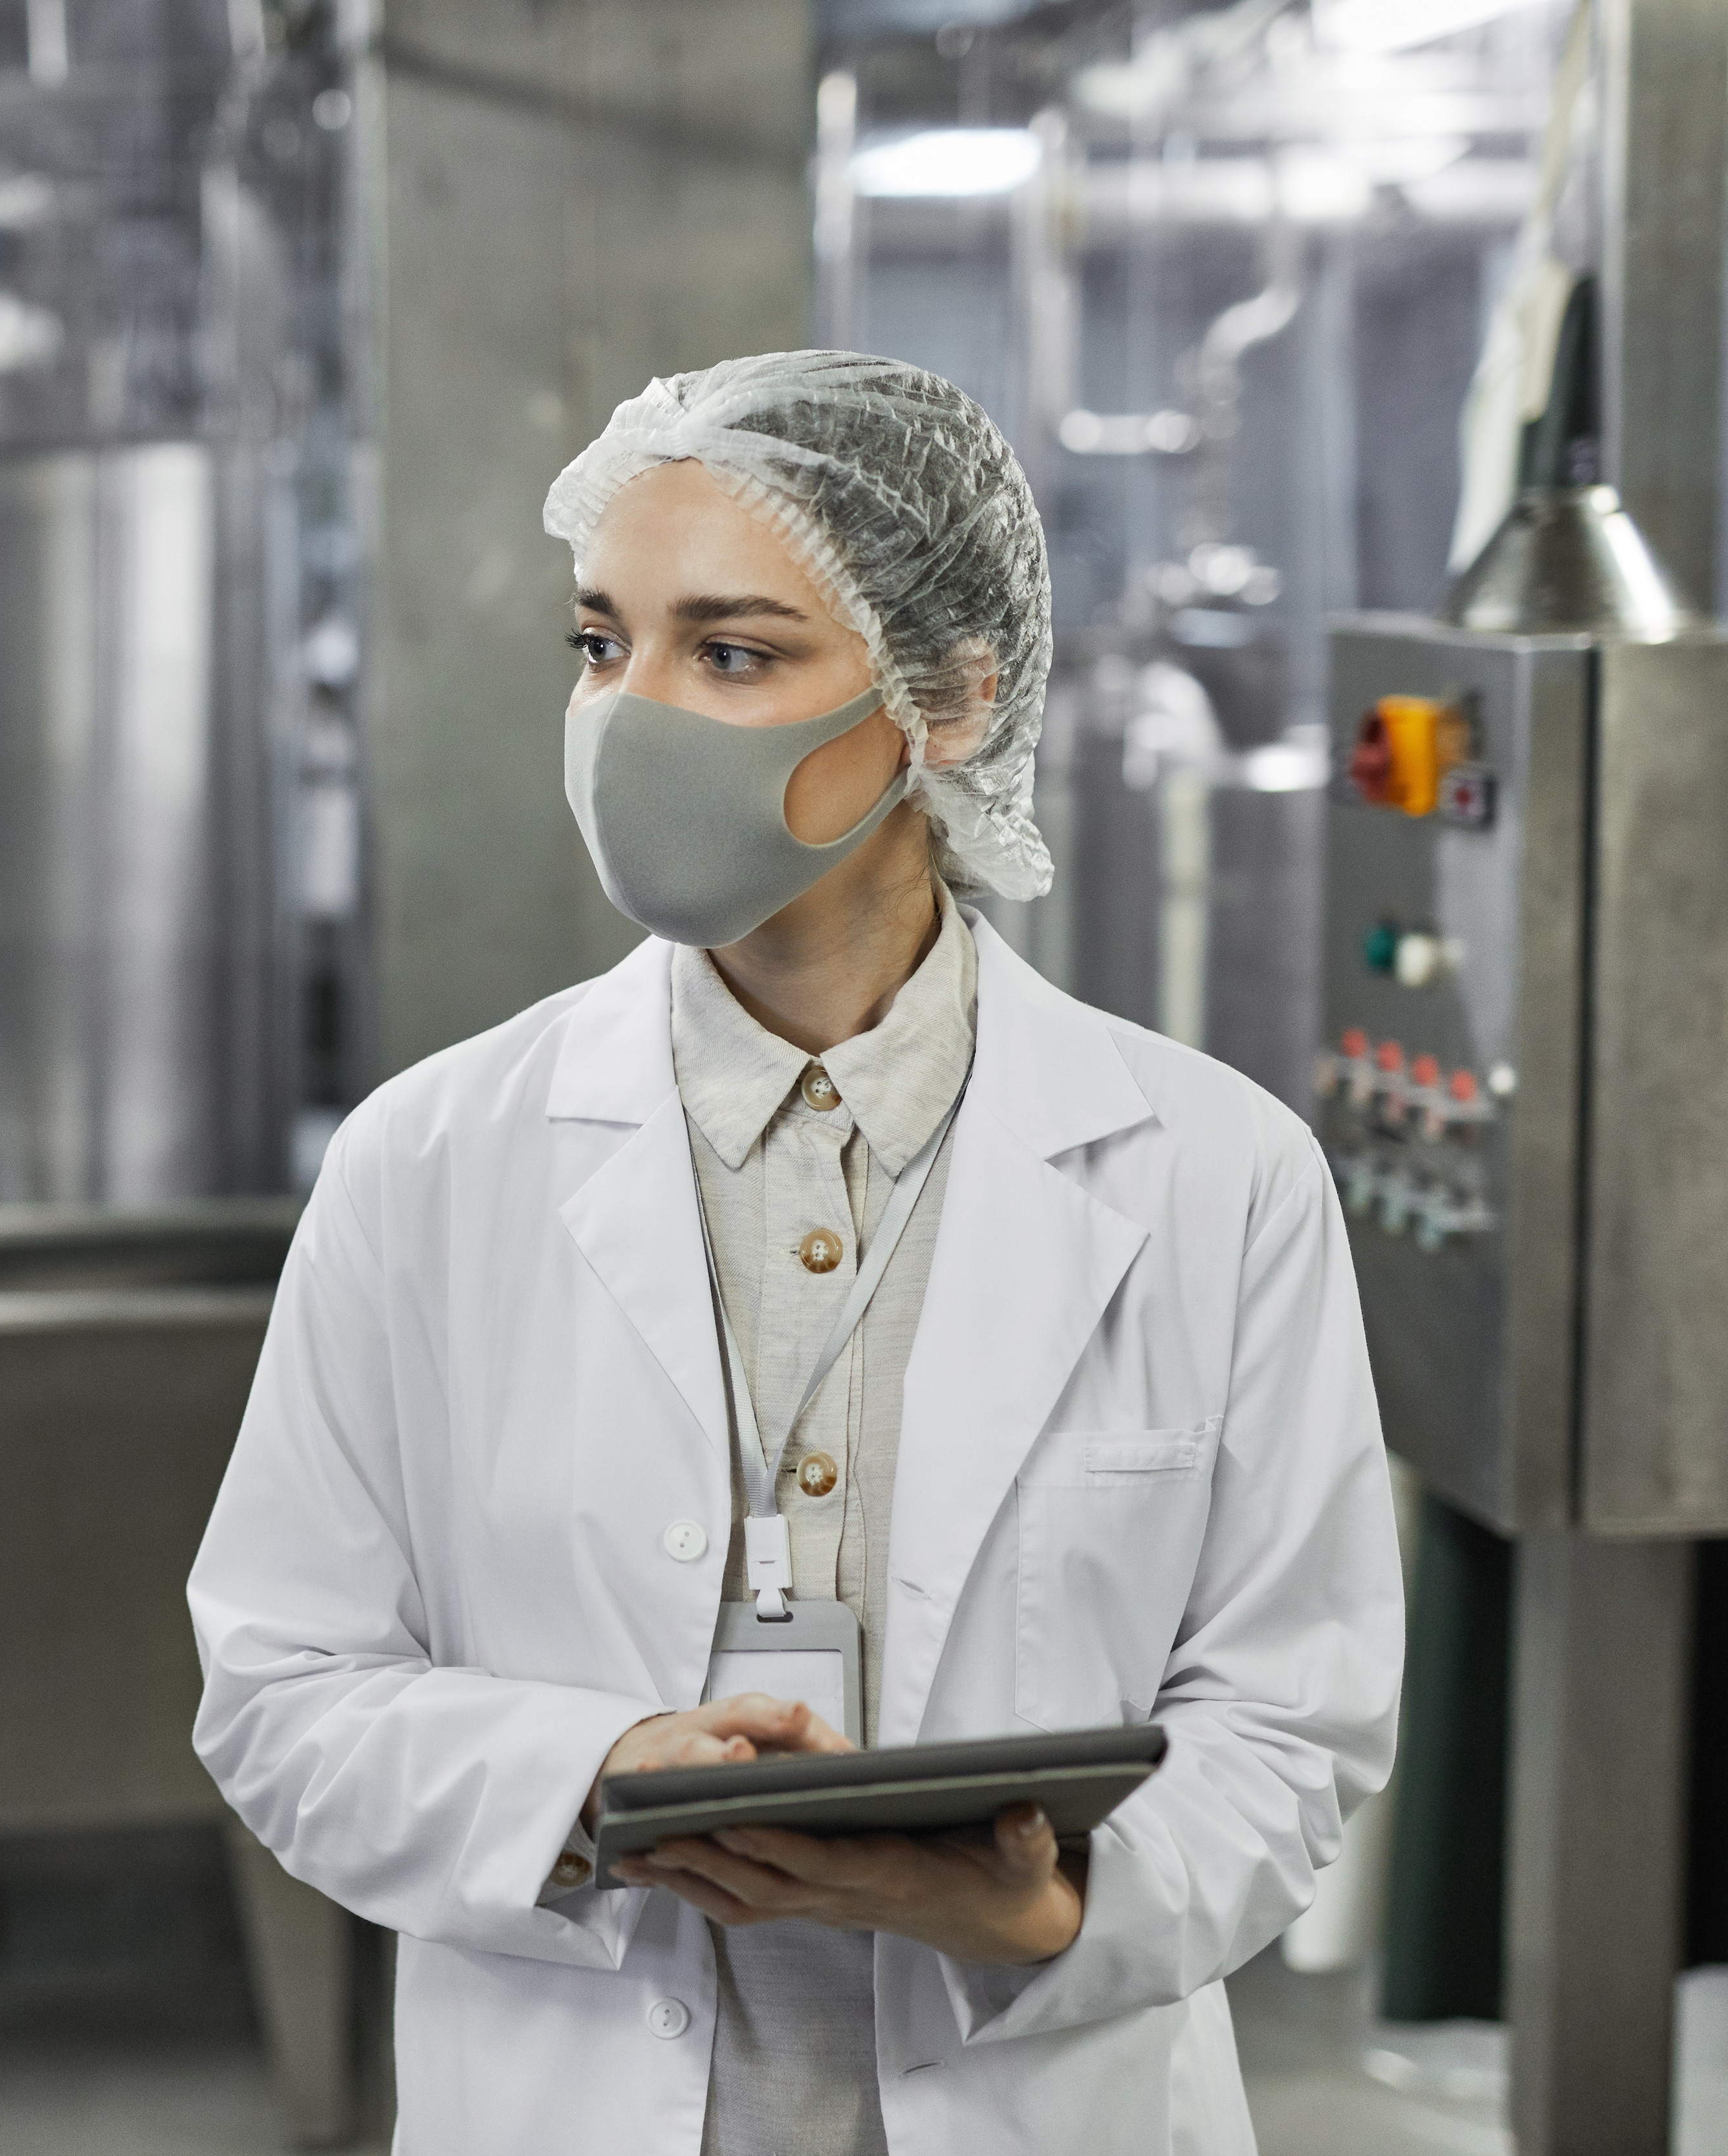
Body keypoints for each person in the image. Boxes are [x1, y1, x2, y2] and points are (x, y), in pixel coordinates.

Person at [188, 353, 1401, 2153]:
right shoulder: (429, 1163)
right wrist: (585, 1781)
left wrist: (1044, 1909)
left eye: (733, 654)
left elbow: (1293, 1724)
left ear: (951, 699)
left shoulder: (1214, 1175)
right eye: (603, 644)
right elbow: (283, 1689)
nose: (632, 716)